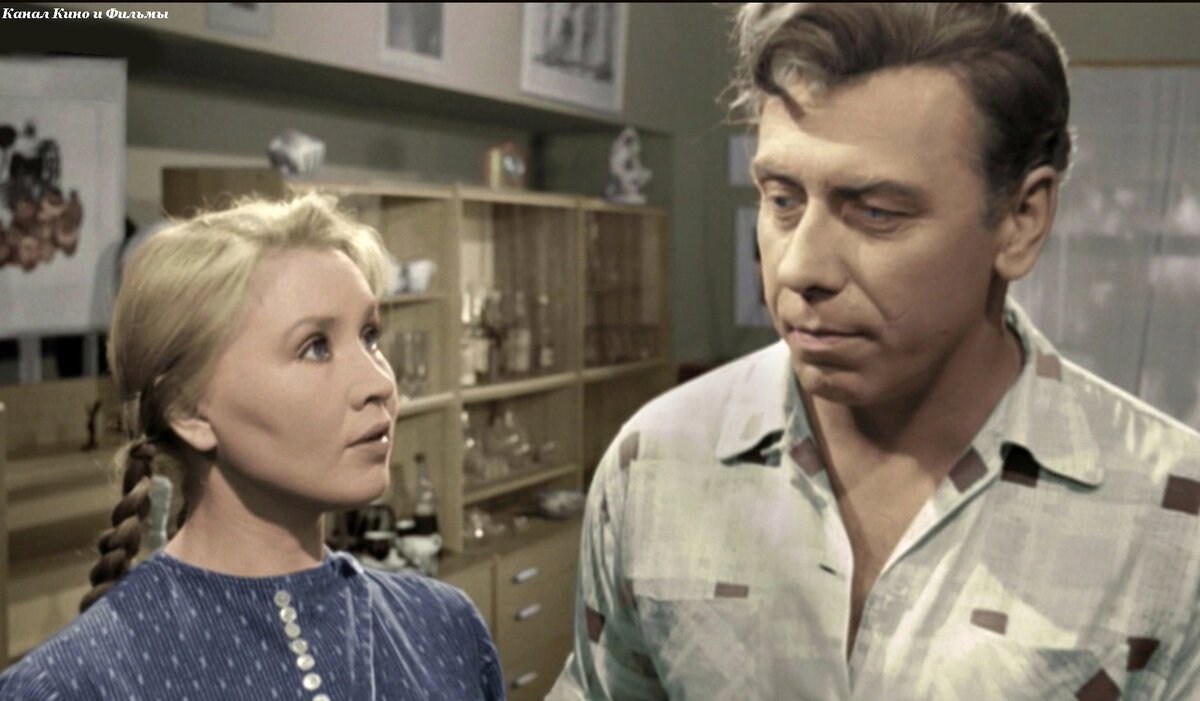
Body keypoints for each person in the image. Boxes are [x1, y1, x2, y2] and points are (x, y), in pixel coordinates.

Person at [550, 4, 1200, 700]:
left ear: (1021, 218)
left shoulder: (1174, 519)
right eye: (782, 199)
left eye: (877, 212)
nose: (799, 267)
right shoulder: (654, 464)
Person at [0, 194, 504, 700]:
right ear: (189, 410)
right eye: (316, 347)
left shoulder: (445, 629)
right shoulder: (70, 686)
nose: (380, 383)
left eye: (370, 336)